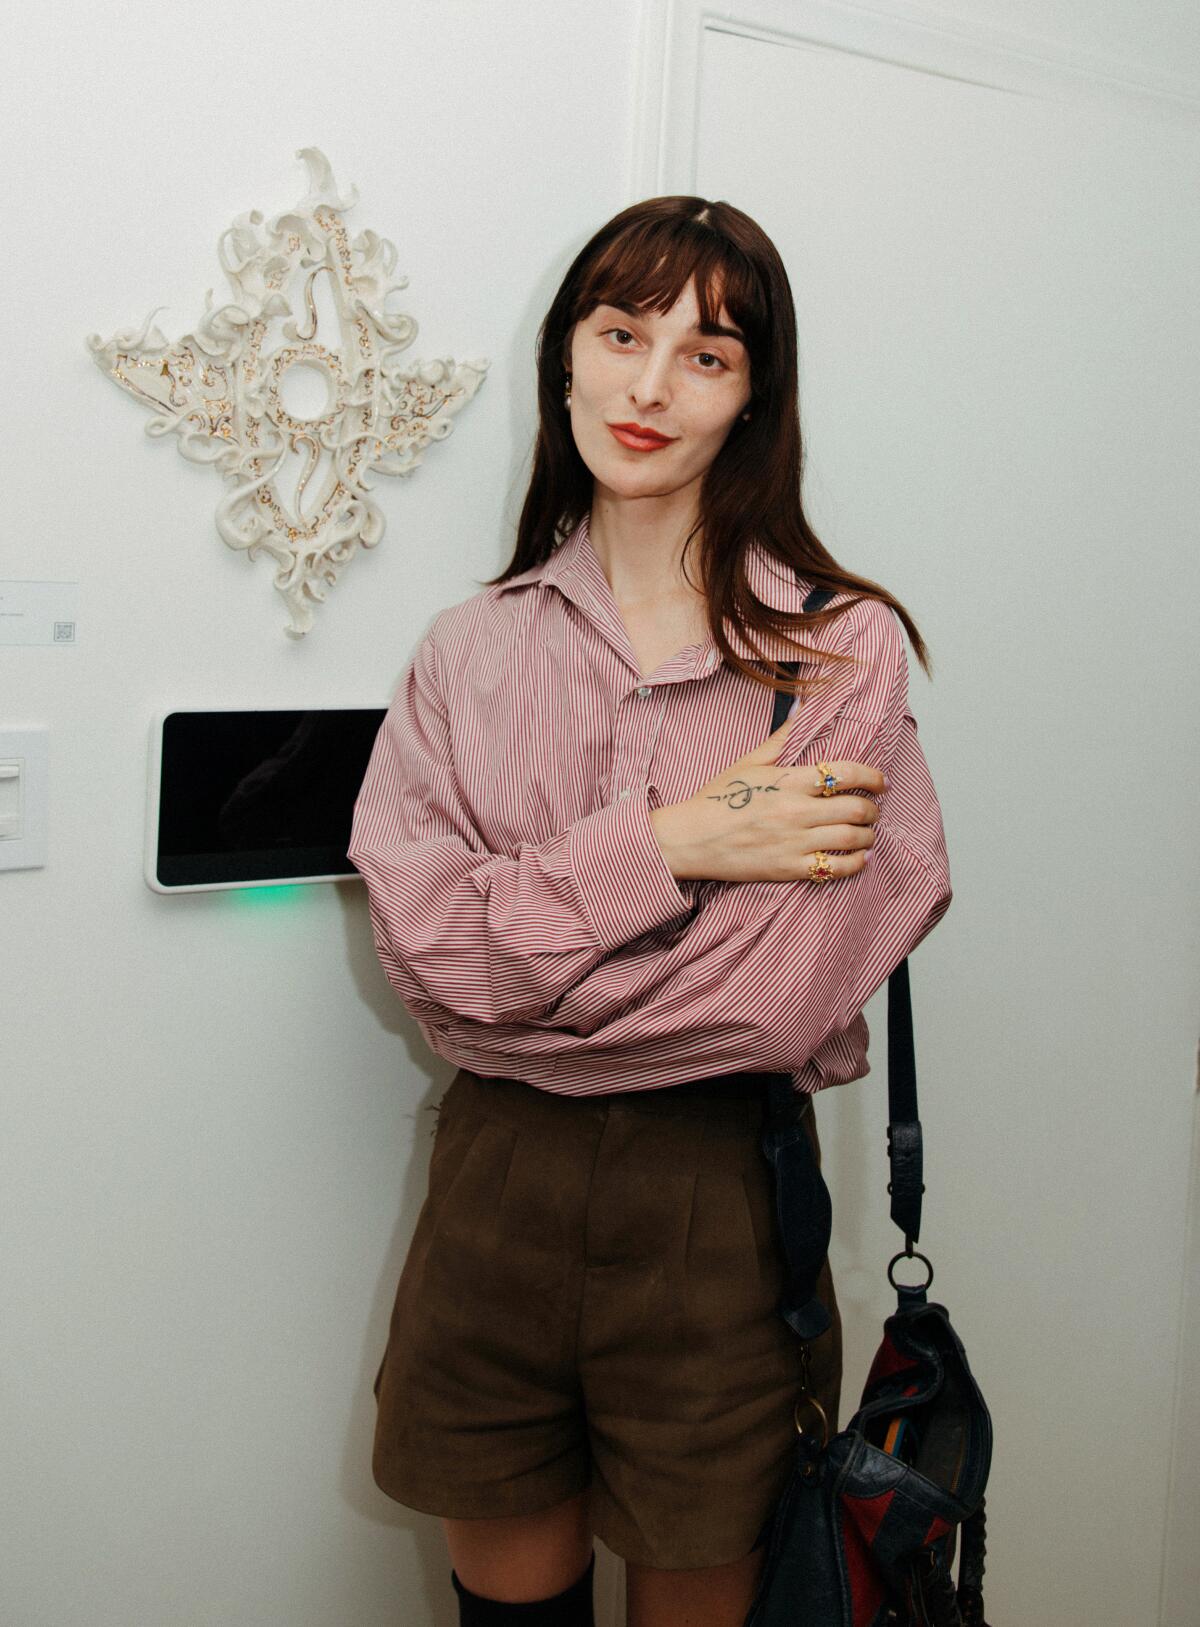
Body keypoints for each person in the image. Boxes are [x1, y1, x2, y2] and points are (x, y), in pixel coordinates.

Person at [348, 196, 952, 1627]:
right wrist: (686, 842)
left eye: (709, 353)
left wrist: (530, 957)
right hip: (493, 1193)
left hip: (717, 1199)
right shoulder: (466, 649)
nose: (651, 384)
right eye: (622, 334)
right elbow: (423, 958)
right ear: (565, 362)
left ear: (754, 402)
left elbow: (779, 1000)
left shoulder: (836, 651)